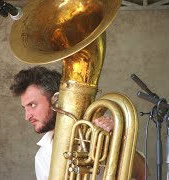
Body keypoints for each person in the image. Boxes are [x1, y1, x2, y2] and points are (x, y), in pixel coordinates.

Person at [10, 66, 147, 180]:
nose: (27, 116)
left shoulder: (100, 134)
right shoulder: (43, 156)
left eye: (32, 105)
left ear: (56, 100)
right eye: (25, 108)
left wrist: (117, 141)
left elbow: (143, 173)